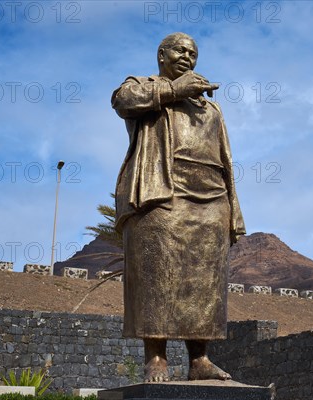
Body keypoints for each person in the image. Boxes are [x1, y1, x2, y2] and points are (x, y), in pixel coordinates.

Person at [111, 32, 245, 383]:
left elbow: (226, 157)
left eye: (193, 52)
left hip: (211, 197)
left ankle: (199, 358)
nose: (188, 56)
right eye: (180, 50)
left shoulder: (211, 107)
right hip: (162, 195)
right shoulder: (143, 85)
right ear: (162, 54)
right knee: (156, 275)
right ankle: (156, 358)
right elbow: (123, 101)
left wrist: (232, 207)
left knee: (204, 281)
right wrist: (175, 90)